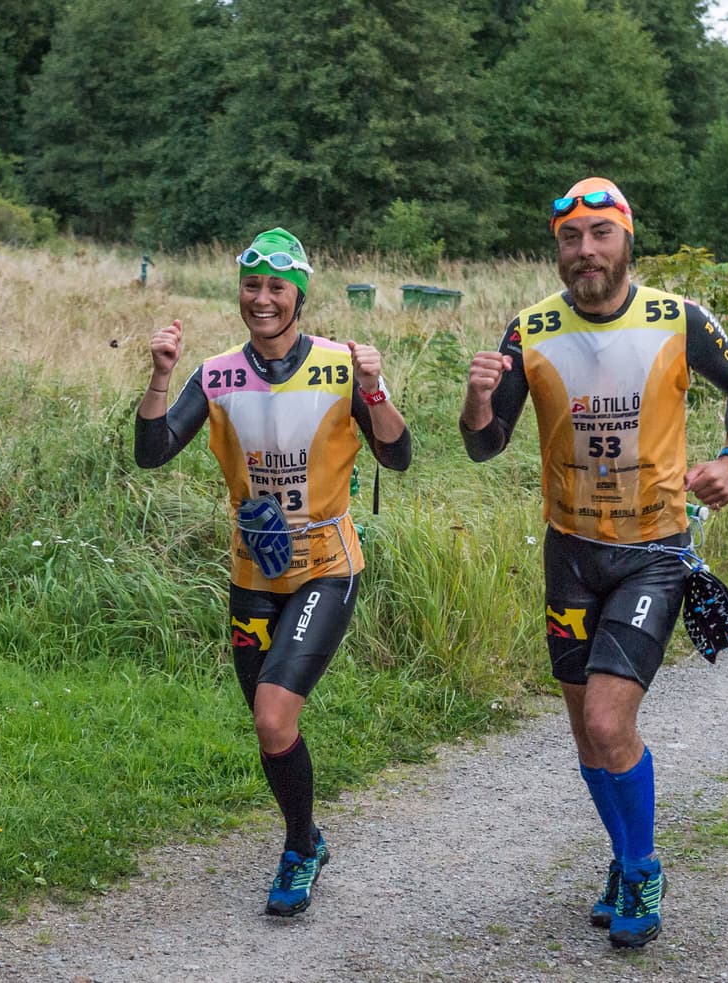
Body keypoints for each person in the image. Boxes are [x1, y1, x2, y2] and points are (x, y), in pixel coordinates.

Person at [459, 178, 728, 948]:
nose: (586, 251)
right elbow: (484, 442)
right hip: (570, 555)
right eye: (571, 239)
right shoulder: (527, 329)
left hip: (652, 554)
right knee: (584, 734)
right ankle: (623, 854)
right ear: (558, 249)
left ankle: (641, 866)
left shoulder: (677, 317)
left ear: (627, 238)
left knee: (607, 719)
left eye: (601, 234)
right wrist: (474, 400)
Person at [135, 228, 412, 916]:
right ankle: (307, 836)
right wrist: (162, 374)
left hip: (327, 564)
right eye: (251, 286)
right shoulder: (217, 371)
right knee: (271, 729)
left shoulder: (341, 364)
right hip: (252, 572)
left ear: (299, 298)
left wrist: (374, 391)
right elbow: (154, 450)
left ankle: (295, 852)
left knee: (272, 713)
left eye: (276, 289)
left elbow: (399, 456)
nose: (261, 300)